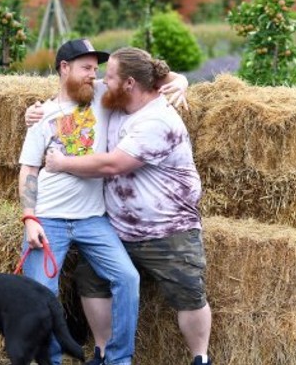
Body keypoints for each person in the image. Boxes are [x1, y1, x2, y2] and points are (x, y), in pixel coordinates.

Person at [18, 39, 188, 365]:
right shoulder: (42, 115)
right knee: (40, 293)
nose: (92, 76)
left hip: (94, 219)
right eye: (85, 68)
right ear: (64, 68)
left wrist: (180, 81)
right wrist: (29, 218)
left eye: (96, 69)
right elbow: (28, 169)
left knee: (127, 278)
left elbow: (150, 74)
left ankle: (118, 359)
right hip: (49, 218)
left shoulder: (101, 95)